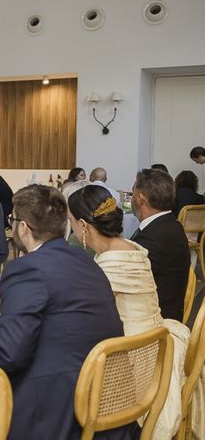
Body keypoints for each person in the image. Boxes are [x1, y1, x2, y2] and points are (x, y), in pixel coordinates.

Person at [0, 185, 137, 440]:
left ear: (23, 227)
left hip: (61, 415)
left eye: (13, 221)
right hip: (110, 403)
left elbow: (9, 355)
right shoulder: (87, 262)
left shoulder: (24, 269)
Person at [68, 184, 192, 439]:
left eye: (70, 221)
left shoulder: (111, 262)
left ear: (82, 225)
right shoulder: (130, 248)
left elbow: (86, 320)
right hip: (156, 343)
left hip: (136, 363)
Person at [130, 168, 190, 321]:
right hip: (169, 311)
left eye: (132, 193)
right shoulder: (173, 225)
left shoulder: (151, 240)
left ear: (140, 198)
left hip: (154, 328)